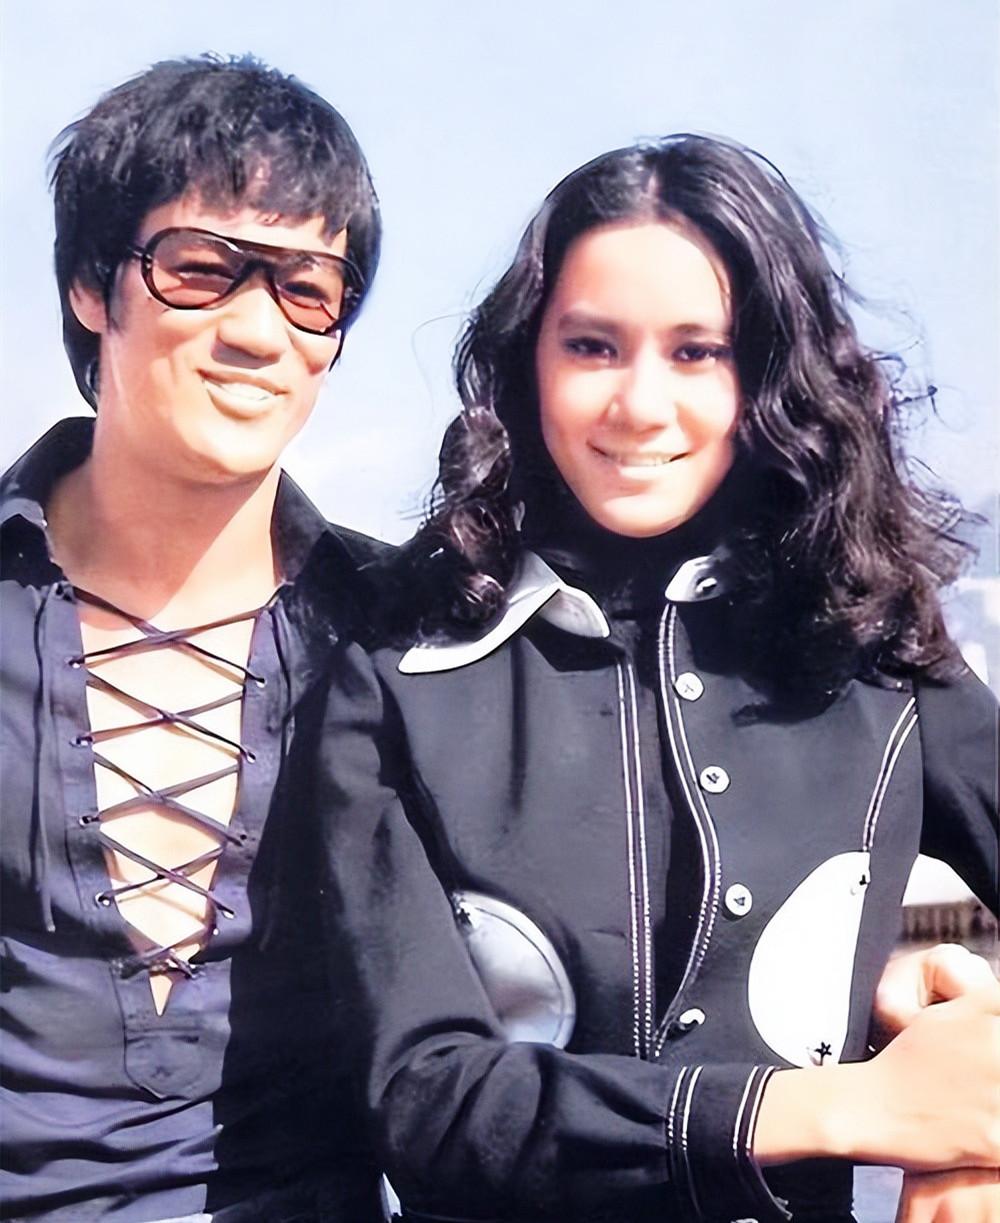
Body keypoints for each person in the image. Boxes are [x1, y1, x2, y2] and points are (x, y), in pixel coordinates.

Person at [313, 135, 1000, 1222]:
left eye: (697, 352)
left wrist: (971, 1140)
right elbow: (429, 1101)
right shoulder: (398, 674)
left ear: (769, 374)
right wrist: (849, 1108)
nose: (639, 405)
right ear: (528, 361)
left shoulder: (874, 650)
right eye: (592, 346)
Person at [0, 55, 389, 1221]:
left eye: (307, 289)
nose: (255, 331)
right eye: (201, 270)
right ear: (91, 283)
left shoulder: (402, 630)